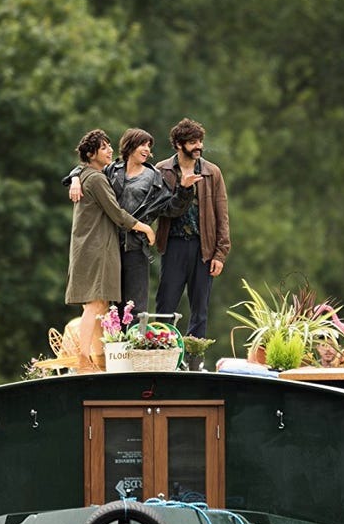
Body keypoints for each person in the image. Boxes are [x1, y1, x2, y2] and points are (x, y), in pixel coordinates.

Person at [66, 128, 198, 311]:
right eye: (142, 144)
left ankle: (133, 340)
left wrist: (184, 190)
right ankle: (109, 340)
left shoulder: (154, 178)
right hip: (108, 244)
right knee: (106, 306)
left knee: (134, 307)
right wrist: (74, 178)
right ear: (129, 147)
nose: (146, 149)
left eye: (148, 145)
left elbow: (170, 208)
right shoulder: (112, 169)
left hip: (134, 246)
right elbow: (89, 169)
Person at [66, 129, 156, 372]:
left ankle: (98, 360)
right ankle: (83, 358)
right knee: (95, 306)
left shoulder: (87, 175)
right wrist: (145, 228)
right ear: (91, 153)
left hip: (93, 247)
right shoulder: (95, 178)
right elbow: (117, 213)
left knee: (101, 307)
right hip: (96, 248)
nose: (110, 151)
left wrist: (74, 177)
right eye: (104, 148)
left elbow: (78, 172)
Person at [153, 118, 230, 339]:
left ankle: (195, 362)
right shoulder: (162, 170)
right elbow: (160, 209)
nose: (199, 146)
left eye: (200, 141)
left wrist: (220, 253)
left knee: (200, 311)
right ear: (178, 144)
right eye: (192, 142)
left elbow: (222, 215)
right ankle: (162, 358)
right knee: (165, 306)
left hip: (203, 248)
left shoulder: (212, 172)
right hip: (173, 245)